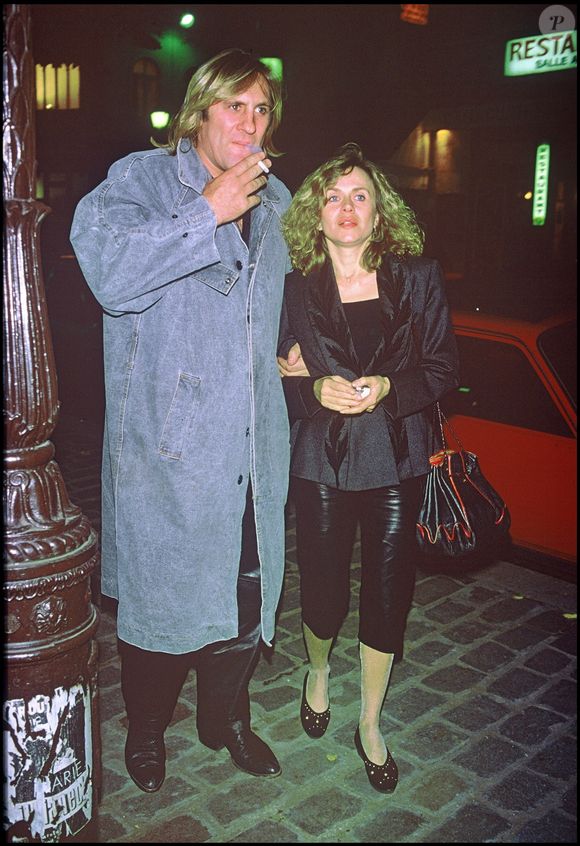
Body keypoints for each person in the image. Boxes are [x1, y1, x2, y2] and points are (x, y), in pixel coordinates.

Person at [70, 49, 292, 792]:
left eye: (261, 108)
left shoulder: (281, 200)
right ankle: (145, 728)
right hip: (170, 448)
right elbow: (110, 273)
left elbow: (310, 296)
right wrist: (208, 211)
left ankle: (225, 719)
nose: (249, 122)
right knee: (162, 601)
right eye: (235, 106)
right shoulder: (140, 179)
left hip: (255, 441)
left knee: (245, 586)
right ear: (199, 112)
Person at [277, 143, 459, 793]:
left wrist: (387, 386)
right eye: (333, 196)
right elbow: (274, 372)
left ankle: (371, 721)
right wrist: (307, 390)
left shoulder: (418, 276)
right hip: (322, 456)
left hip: (395, 453)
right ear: (315, 212)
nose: (347, 208)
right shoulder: (294, 285)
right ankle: (319, 670)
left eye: (360, 195)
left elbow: (443, 368)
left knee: (387, 591)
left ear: (380, 211)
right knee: (323, 588)